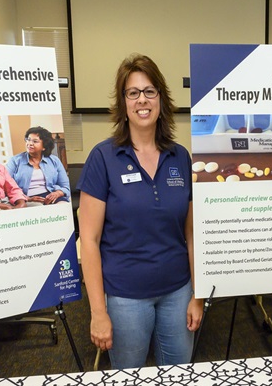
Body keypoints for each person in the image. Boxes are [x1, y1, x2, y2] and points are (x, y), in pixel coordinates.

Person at [77, 53, 203, 369]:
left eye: (149, 91)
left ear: (161, 98)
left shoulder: (180, 157)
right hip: (125, 298)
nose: (141, 100)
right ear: (123, 102)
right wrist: (98, 312)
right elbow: (89, 240)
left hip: (178, 292)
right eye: (133, 93)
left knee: (177, 375)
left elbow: (191, 233)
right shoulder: (103, 158)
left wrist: (197, 295)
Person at [6, 126, 70, 205]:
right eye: (28, 140)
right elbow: (7, 186)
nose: (30, 144)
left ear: (44, 147)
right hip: (26, 198)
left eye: (35, 141)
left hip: (50, 195)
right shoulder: (15, 161)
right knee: (38, 207)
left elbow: (65, 186)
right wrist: (28, 198)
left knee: (64, 206)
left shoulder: (54, 160)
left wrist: (58, 193)